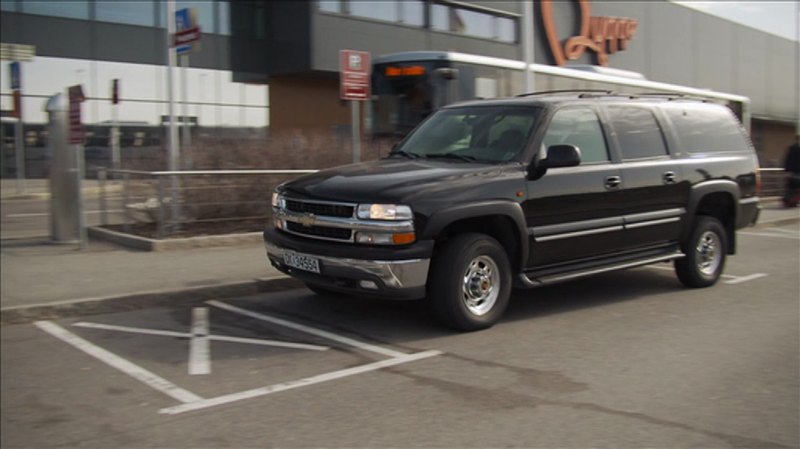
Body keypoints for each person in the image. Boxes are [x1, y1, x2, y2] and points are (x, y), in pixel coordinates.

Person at [783, 135, 800, 207]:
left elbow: (787, 160)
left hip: (792, 173)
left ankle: (788, 200)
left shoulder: (791, 148)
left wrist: (787, 170)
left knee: (791, 187)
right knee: (795, 187)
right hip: (798, 172)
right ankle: (793, 200)